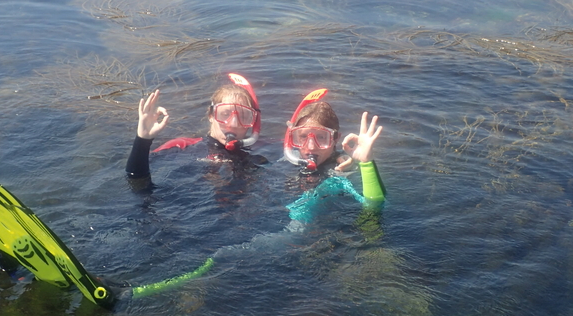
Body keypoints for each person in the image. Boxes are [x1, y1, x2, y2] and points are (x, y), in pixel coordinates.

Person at [125, 73, 268, 191]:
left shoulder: (261, 153)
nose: (233, 124)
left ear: (252, 123)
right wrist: (143, 140)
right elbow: (136, 181)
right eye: (224, 114)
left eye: (244, 117)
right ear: (211, 116)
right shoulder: (182, 146)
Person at [282, 90, 386, 235]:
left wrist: (366, 163)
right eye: (303, 137)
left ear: (335, 139)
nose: (311, 147)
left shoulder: (342, 170)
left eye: (322, 137)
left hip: (330, 232)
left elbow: (374, 206)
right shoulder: (286, 161)